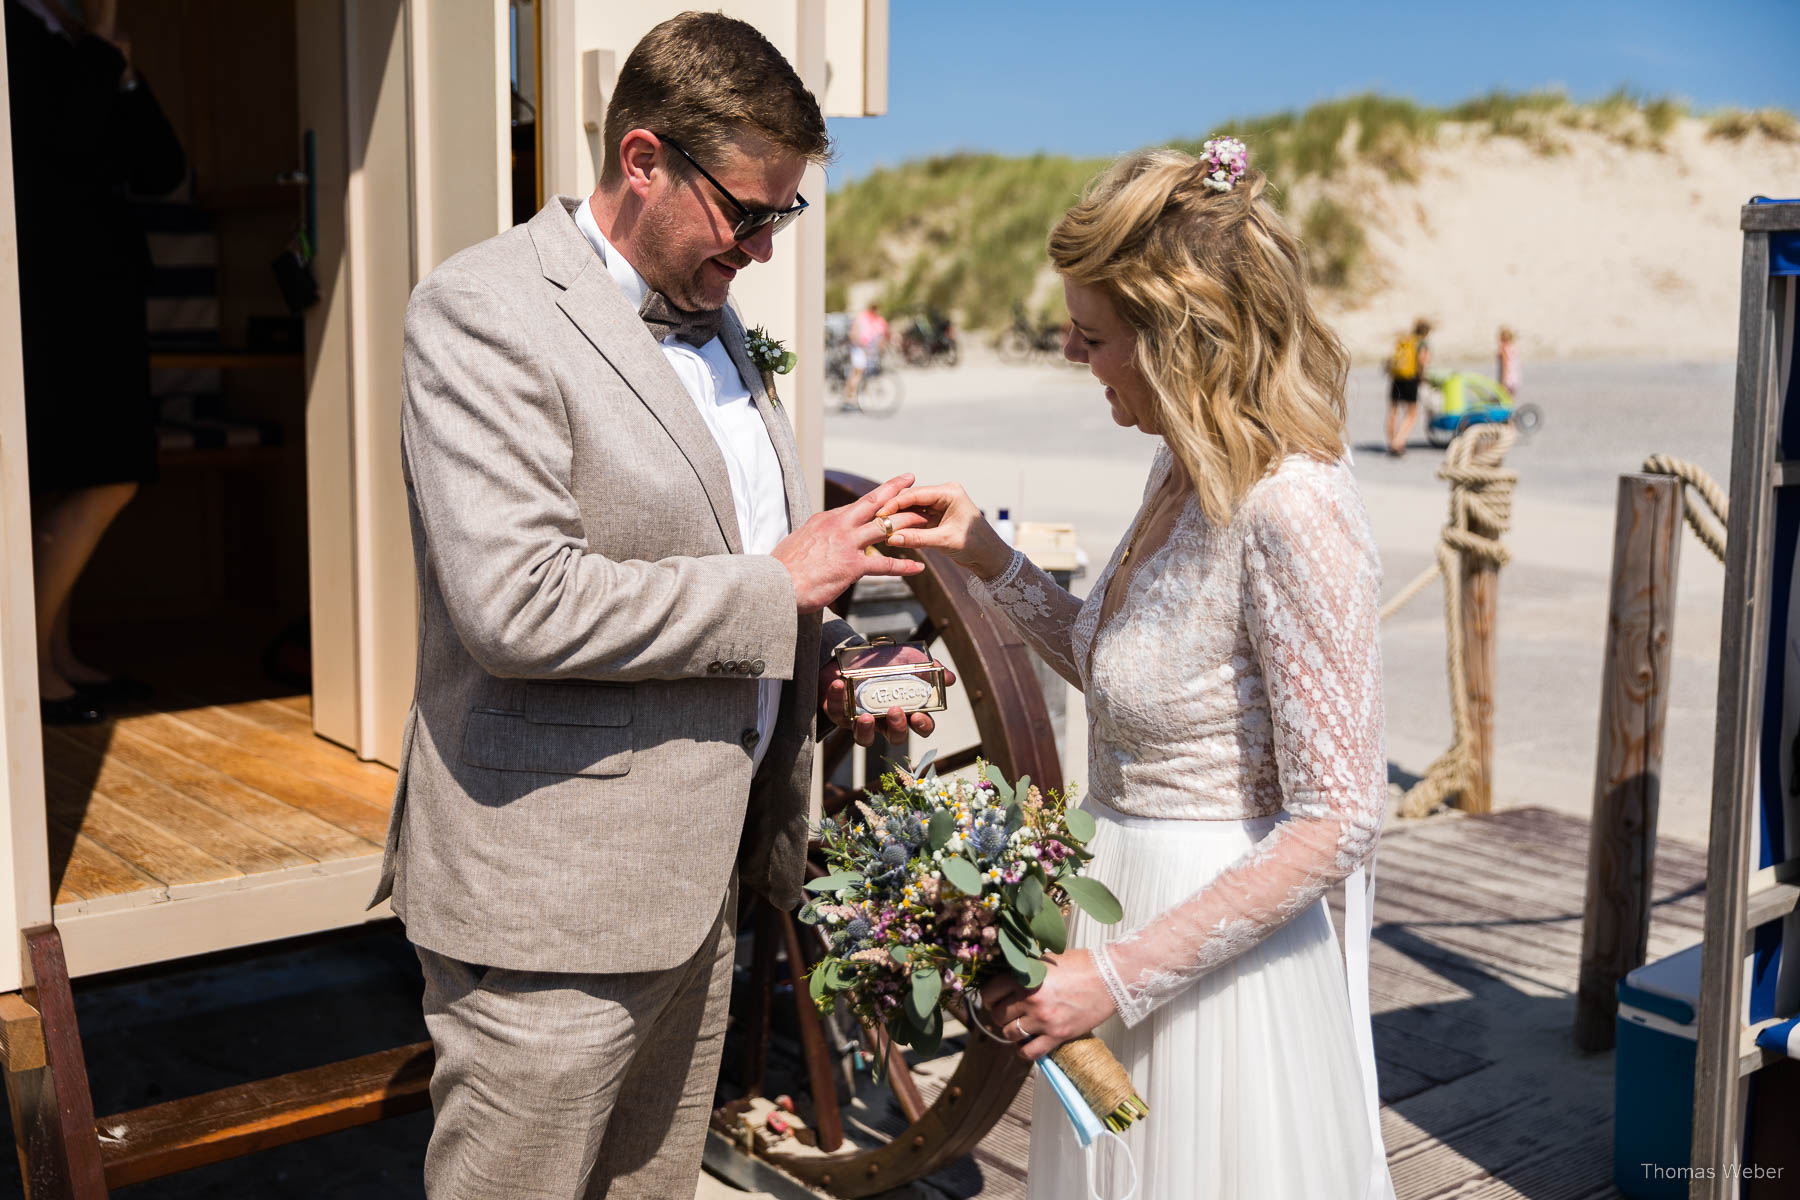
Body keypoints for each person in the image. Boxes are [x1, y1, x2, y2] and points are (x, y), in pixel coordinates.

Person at [376, 14, 945, 1197]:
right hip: (550, 904)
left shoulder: (720, 316)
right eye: (749, 213)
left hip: (700, 891)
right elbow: (517, 604)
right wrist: (784, 585)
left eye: (784, 216)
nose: (765, 250)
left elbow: (729, 557)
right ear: (643, 161)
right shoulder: (481, 312)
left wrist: (832, 657)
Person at [881, 140, 1391, 1199]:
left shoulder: (1295, 508)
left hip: (1214, 971)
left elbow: (1340, 818)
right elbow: (1129, 679)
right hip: (1113, 906)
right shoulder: (1179, 469)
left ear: (1182, 342)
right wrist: (989, 555)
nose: (1075, 354)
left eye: (1094, 333)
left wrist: (1115, 974)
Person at [8, 0, 185, 723]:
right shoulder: (14, 34)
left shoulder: (79, 46)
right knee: (98, 473)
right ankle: (25, 669)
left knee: (74, 478)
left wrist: (121, 64)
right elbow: (58, 145)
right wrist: (101, 57)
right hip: (47, 292)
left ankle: (55, 659)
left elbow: (162, 168)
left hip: (95, 291)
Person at [1385, 318, 1431, 456]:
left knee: (1393, 411)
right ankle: (1398, 442)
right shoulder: (1421, 343)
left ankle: (1391, 441)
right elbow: (1423, 361)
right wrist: (1423, 377)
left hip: (1396, 378)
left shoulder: (1405, 340)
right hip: (1411, 379)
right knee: (1412, 413)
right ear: (1426, 332)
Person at [845, 299, 888, 407]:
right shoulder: (862, 318)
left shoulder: (878, 320)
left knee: (866, 374)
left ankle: (859, 397)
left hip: (871, 351)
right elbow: (854, 334)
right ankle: (848, 397)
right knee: (857, 372)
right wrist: (861, 344)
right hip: (859, 348)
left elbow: (883, 334)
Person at [1497, 325, 1521, 397]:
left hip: (1507, 378)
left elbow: (1505, 364)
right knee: (1510, 399)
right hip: (1515, 377)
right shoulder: (1513, 348)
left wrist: (1503, 379)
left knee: (1503, 398)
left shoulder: (1504, 349)